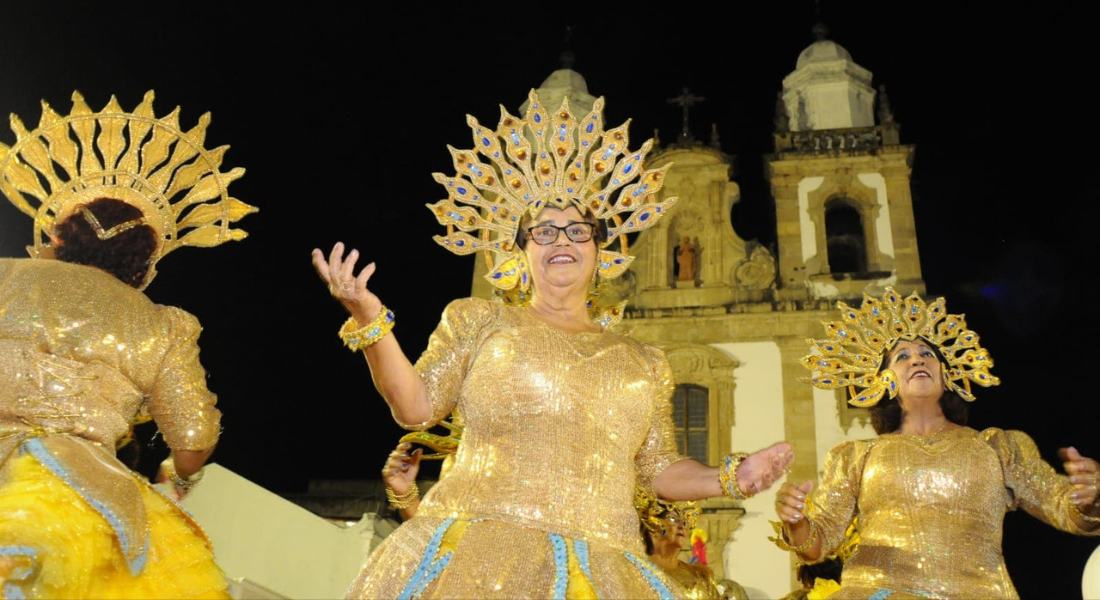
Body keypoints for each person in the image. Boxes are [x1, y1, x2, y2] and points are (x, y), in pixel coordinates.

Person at [312, 89, 794, 599]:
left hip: (605, 566)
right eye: (542, 230)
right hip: (475, 553)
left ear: (599, 248)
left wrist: (732, 476)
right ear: (520, 251)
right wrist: (369, 320)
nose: (560, 239)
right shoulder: (479, 319)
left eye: (576, 229)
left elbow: (659, 470)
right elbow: (415, 407)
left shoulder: (644, 360)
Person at [0, 90, 256, 598]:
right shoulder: (161, 326)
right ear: (144, 262)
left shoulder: (5, 275)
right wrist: (176, 477)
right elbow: (193, 440)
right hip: (73, 500)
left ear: (59, 234)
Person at [773, 287, 1100, 599]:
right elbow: (818, 543)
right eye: (902, 356)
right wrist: (796, 521)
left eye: (926, 353)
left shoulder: (997, 448)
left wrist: (1089, 499)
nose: (917, 360)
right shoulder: (858, 456)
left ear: (946, 375)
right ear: (887, 380)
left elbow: (1064, 508)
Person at [635, 485, 728, 600]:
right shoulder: (636, 571)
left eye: (684, 523)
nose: (681, 526)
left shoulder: (700, 575)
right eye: (673, 519)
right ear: (652, 527)